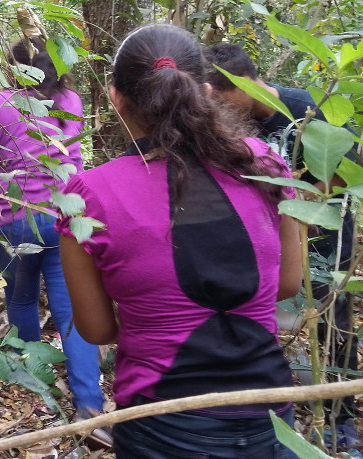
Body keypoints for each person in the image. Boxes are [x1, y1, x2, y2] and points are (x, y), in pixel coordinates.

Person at [56, 24, 302, 457]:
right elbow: (286, 284)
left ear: (116, 99)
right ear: (205, 90)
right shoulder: (266, 164)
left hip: (161, 422)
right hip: (269, 411)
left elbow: (97, 329)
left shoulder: (87, 194)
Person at [206, 43, 361, 433]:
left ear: (245, 84)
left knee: (333, 323)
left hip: (324, 240)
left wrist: (301, 199)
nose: (218, 114)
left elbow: (349, 165)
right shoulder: (228, 124)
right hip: (265, 243)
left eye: (222, 101)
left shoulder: (311, 109)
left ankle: (339, 418)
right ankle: (273, 410)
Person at [0, 36, 108, 442]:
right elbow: (75, 159)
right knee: (70, 310)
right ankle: (89, 405)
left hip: (9, 213)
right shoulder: (70, 100)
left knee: (19, 299)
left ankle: (31, 385)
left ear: (12, 66)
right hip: (62, 215)